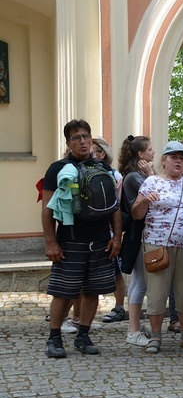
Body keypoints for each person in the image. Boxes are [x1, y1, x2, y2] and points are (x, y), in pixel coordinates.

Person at [42, 119, 121, 358]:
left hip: (100, 240)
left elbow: (115, 207)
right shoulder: (57, 169)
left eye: (86, 136)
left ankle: (83, 335)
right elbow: (47, 208)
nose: (83, 141)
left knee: (93, 290)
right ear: (68, 143)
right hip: (70, 240)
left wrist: (116, 236)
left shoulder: (104, 169)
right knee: (64, 292)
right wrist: (50, 241)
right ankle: (54, 338)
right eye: (77, 137)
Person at [131, 141, 183, 355]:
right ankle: (156, 336)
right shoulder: (151, 182)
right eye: (173, 157)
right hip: (156, 245)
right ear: (164, 160)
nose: (178, 161)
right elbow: (136, 214)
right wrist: (143, 202)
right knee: (157, 291)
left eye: (181, 157)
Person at [117, 135, 155, 346]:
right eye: (150, 149)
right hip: (138, 235)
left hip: (139, 235)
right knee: (141, 282)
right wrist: (151, 174)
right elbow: (155, 194)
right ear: (141, 155)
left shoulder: (137, 175)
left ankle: (135, 327)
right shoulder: (135, 177)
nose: (154, 153)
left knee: (139, 282)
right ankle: (133, 331)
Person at [91, 137, 128, 325]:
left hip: (108, 231)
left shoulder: (115, 176)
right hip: (91, 231)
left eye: (93, 151)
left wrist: (116, 234)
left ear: (101, 154)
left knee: (115, 271)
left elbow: (117, 205)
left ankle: (119, 307)